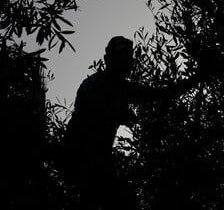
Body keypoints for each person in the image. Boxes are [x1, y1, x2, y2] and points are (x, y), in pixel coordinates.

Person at [61, 36, 205, 210]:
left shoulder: (124, 88)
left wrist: (197, 78)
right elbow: (86, 114)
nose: (125, 60)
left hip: (99, 162)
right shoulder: (93, 84)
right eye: (121, 55)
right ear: (108, 59)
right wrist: (117, 113)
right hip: (81, 158)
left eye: (128, 56)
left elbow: (163, 94)